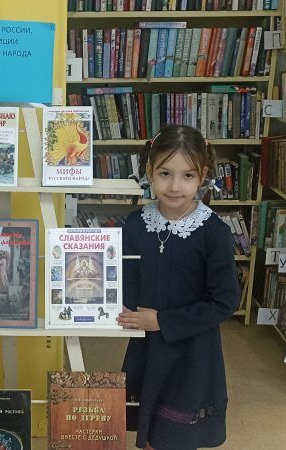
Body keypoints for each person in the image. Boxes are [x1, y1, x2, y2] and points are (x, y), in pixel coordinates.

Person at [117, 124, 240, 450]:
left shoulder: (213, 232)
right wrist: (115, 306)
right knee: (148, 430)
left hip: (192, 350)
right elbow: (126, 278)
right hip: (146, 346)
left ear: (203, 175)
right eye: (165, 174)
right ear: (149, 172)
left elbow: (224, 301)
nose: (174, 186)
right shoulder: (135, 224)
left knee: (177, 434)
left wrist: (162, 321)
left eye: (187, 176)